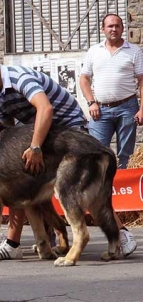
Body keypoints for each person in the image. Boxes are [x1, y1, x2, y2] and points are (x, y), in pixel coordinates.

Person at [0, 47, 120, 260]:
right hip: (42, 136)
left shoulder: (19, 78)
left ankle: (119, 238)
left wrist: (35, 147)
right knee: (19, 182)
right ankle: (26, 243)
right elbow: (6, 133)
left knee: (73, 193)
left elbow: (45, 109)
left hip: (68, 132)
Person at [79, 13, 139, 256]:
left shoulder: (133, 51)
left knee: (124, 157)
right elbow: (84, 78)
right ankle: (103, 196)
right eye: (109, 26)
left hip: (127, 107)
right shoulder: (94, 52)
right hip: (100, 110)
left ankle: (123, 204)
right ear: (103, 29)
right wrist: (91, 101)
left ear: (122, 28)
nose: (114, 29)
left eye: (117, 25)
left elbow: (142, 81)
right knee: (96, 157)